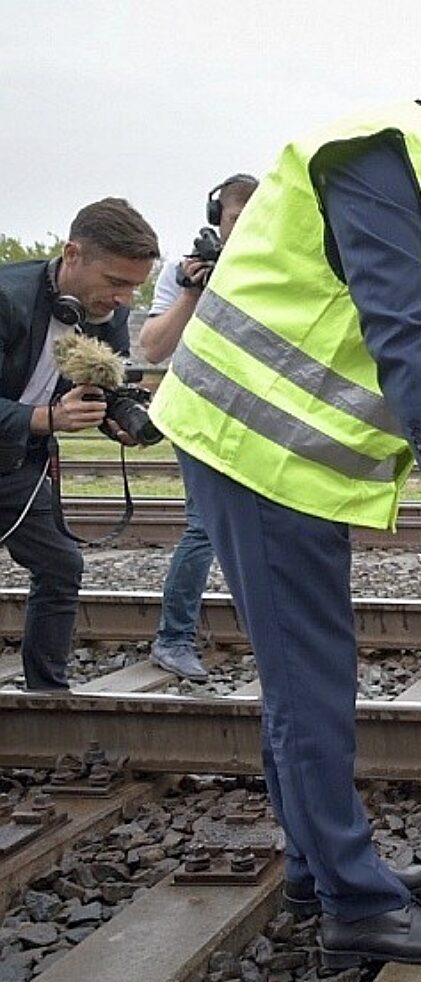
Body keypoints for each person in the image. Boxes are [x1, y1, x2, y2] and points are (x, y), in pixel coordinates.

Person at [148, 46, 421, 966]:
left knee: (302, 673)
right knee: (312, 680)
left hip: (277, 457)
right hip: (253, 445)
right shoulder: (382, 158)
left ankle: (320, 870)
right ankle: (355, 905)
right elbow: (399, 326)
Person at [0, 199, 160, 691]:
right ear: (72, 254)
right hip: (23, 439)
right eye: (115, 282)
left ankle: (48, 695)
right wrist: (44, 418)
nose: (123, 298)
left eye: (133, 287)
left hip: (18, 465)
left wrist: (118, 421)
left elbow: (104, 389)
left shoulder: (106, 314)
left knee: (60, 566)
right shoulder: (6, 298)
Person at [140, 173, 259, 681]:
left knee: (262, 528)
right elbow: (153, 348)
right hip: (198, 413)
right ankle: (173, 639)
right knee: (204, 526)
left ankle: (268, 638)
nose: (244, 227)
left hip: (257, 416)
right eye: (235, 218)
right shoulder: (181, 274)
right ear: (217, 218)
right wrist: (193, 293)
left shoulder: (270, 269)